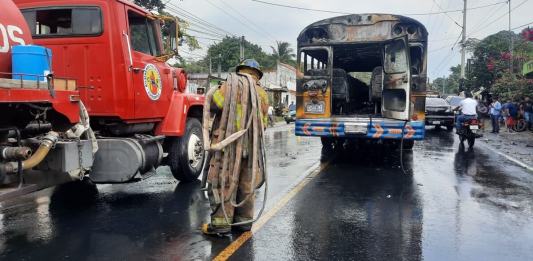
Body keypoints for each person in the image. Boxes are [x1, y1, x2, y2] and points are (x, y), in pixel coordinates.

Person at [203, 59, 269, 235]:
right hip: (251, 148)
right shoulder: (262, 93)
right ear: (257, 75)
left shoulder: (229, 85)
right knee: (247, 186)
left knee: (222, 183)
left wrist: (217, 89)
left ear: (240, 71)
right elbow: (264, 124)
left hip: (227, 148)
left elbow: (213, 104)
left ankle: (221, 224)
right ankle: (244, 223)